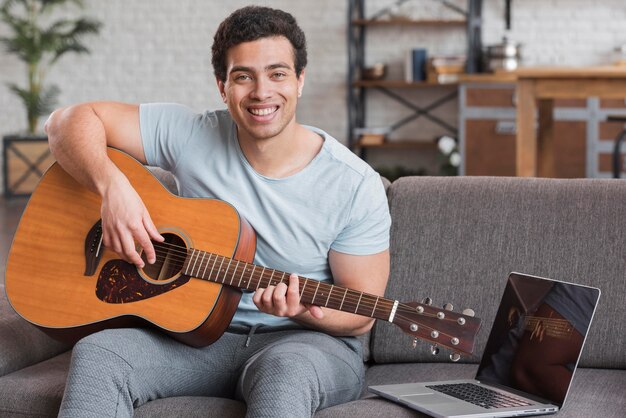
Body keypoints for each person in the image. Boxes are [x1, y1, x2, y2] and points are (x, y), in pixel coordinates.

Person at [45, 6, 391, 418]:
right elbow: (66, 122)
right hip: (194, 336)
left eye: (278, 73)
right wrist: (111, 187)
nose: (262, 92)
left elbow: (362, 315)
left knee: (285, 372)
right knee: (99, 354)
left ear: (300, 81)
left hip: (304, 344)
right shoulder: (191, 134)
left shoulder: (354, 183)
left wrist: (301, 309)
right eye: (243, 76)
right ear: (222, 87)